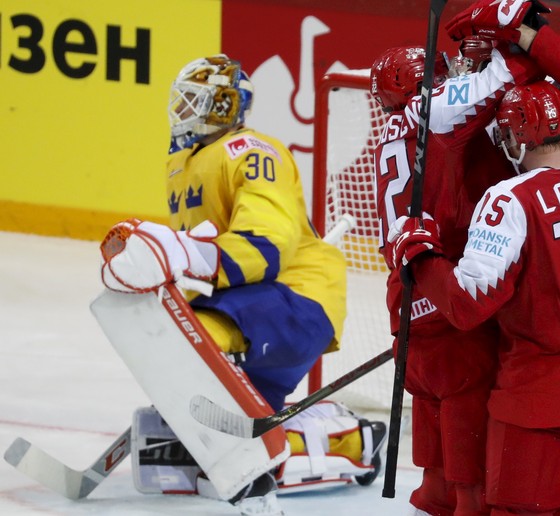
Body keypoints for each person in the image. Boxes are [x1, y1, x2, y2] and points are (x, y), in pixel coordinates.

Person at [98, 54, 382, 515]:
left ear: (226, 106)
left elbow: (267, 244)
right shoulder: (182, 165)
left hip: (295, 299)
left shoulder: (251, 151)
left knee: (189, 350)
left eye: (194, 102)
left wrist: (186, 254)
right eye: (181, 101)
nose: (182, 112)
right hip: (251, 303)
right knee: (236, 426)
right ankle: (351, 439)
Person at [370, 1, 560, 513]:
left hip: (411, 297)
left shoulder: (408, 125)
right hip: (461, 296)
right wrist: (523, 38)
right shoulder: (447, 111)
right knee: (477, 464)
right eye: (460, 58)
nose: (463, 66)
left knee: (438, 451)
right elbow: (491, 91)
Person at [386, 81, 560, 515]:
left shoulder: (510, 200)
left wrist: (419, 256)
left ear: (511, 140)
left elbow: (466, 304)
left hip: (541, 398)